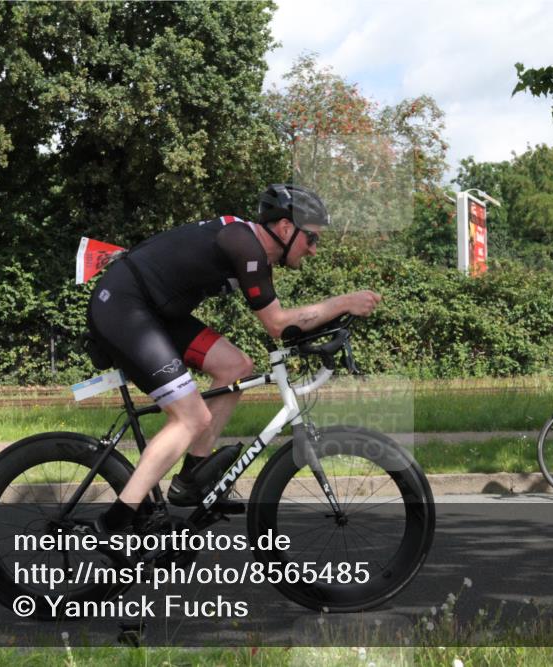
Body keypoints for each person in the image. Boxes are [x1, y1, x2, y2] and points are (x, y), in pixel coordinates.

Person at [85, 184, 381, 533]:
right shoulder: (245, 246)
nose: (313, 250)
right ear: (286, 228)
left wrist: (329, 326)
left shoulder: (254, 253)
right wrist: (342, 303)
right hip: (126, 308)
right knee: (189, 418)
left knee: (236, 367)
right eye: (312, 239)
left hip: (156, 312)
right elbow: (277, 324)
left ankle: (191, 479)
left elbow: (288, 326)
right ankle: (114, 523)